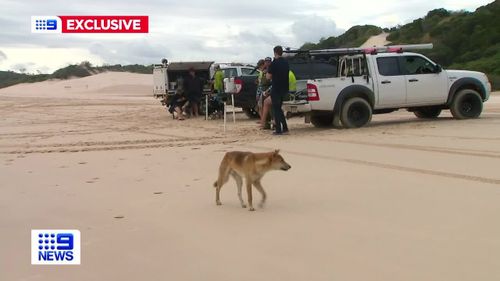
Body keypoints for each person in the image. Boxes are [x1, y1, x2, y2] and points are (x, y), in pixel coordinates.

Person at [266, 46, 289, 135]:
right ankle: (285, 127)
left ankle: (279, 129)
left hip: (276, 88)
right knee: (279, 108)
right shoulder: (285, 62)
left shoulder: (274, 63)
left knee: (276, 109)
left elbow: (268, 76)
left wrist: (269, 70)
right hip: (284, 88)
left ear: (275, 52)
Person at [258, 57, 273, 129]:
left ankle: (274, 124)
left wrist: (267, 91)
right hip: (263, 92)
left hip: (269, 92)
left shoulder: (272, 71)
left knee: (271, 109)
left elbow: (273, 84)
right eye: (266, 62)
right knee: (262, 108)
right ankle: (266, 124)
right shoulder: (263, 72)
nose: (267, 63)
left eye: (268, 62)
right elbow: (260, 84)